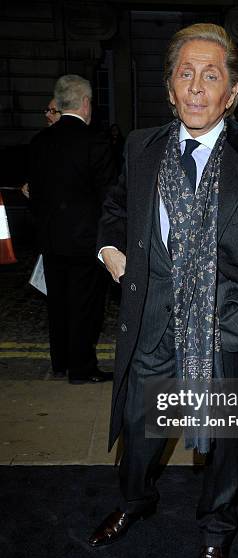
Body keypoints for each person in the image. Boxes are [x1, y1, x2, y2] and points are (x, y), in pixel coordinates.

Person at [89, 23, 238, 558]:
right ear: (169, 88)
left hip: (225, 331)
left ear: (231, 92)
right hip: (152, 325)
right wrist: (110, 248)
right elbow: (116, 208)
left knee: (220, 446)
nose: (196, 87)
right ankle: (136, 499)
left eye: (210, 75)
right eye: (184, 74)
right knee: (139, 433)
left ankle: (217, 530)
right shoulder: (142, 148)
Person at [28, 74, 116, 383]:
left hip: (51, 239)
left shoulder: (40, 142)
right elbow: (108, 197)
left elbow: (34, 194)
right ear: (86, 103)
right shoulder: (95, 141)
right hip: (85, 241)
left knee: (59, 304)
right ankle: (82, 368)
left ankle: (61, 362)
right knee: (84, 306)